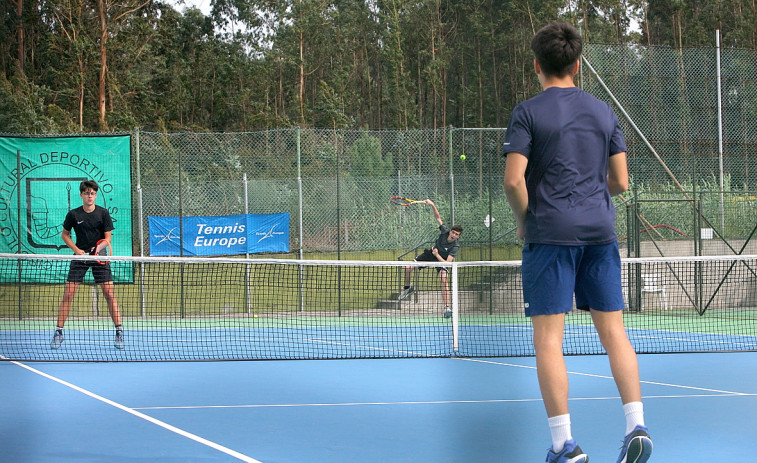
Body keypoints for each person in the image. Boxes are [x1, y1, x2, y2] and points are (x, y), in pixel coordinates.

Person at [503, 22, 652, 463]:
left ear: (537, 66)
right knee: (615, 333)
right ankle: (637, 426)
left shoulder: (527, 112)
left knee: (549, 342)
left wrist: (526, 221)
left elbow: (514, 181)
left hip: (550, 236)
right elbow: (621, 181)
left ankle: (564, 446)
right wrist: (591, 192)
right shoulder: (604, 112)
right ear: (577, 66)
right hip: (600, 233)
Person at [50, 180, 124, 350]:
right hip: (80, 256)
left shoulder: (103, 213)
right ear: (81, 195)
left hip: (100, 257)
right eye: (86, 193)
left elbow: (108, 239)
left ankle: (119, 331)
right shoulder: (73, 214)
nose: (89, 196)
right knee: (68, 294)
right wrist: (77, 250)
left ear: (95, 195)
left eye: (92, 193)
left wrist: (97, 249)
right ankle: (58, 332)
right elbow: (65, 235)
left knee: (109, 294)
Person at [398, 199, 463, 319]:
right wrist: (432, 204)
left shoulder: (455, 246)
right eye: (453, 232)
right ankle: (408, 288)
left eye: (456, 234)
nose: (453, 235)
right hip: (430, 255)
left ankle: (447, 308)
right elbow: (437, 217)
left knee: (444, 279)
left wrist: (437, 255)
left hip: (442, 260)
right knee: (408, 268)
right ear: (450, 232)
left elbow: (448, 263)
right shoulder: (445, 231)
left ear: (458, 236)